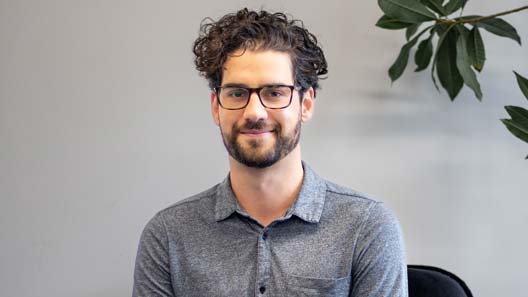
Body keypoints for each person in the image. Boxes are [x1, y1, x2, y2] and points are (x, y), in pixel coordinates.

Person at [132, 8, 408, 297]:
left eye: (275, 93)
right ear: (216, 106)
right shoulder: (168, 235)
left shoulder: (367, 226)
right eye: (237, 93)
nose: (254, 112)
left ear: (306, 104)